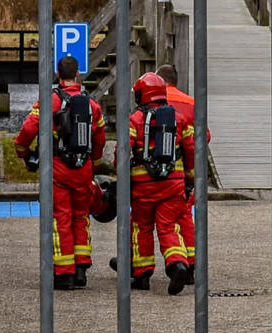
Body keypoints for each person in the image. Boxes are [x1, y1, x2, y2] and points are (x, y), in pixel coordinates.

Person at [14, 55, 106, 290]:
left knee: (61, 218)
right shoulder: (92, 105)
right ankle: (81, 267)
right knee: (81, 216)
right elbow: (100, 139)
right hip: (83, 168)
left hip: (58, 168)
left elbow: (28, 129)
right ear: (78, 75)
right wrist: (94, 164)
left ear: (57, 75)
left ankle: (64, 273)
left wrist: (22, 152)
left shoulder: (49, 101)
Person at [121, 71, 196, 293]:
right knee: (168, 227)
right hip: (173, 186)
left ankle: (142, 275)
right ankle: (177, 264)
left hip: (143, 187)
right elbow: (191, 151)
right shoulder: (179, 119)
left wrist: (121, 176)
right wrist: (189, 180)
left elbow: (122, 150)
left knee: (142, 227)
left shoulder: (135, 119)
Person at [156, 62, 205, 276]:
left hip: (154, 172)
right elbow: (204, 137)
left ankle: (135, 264)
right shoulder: (191, 103)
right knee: (184, 216)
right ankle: (192, 264)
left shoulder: (153, 101)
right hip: (184, 173)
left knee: (141, 219)